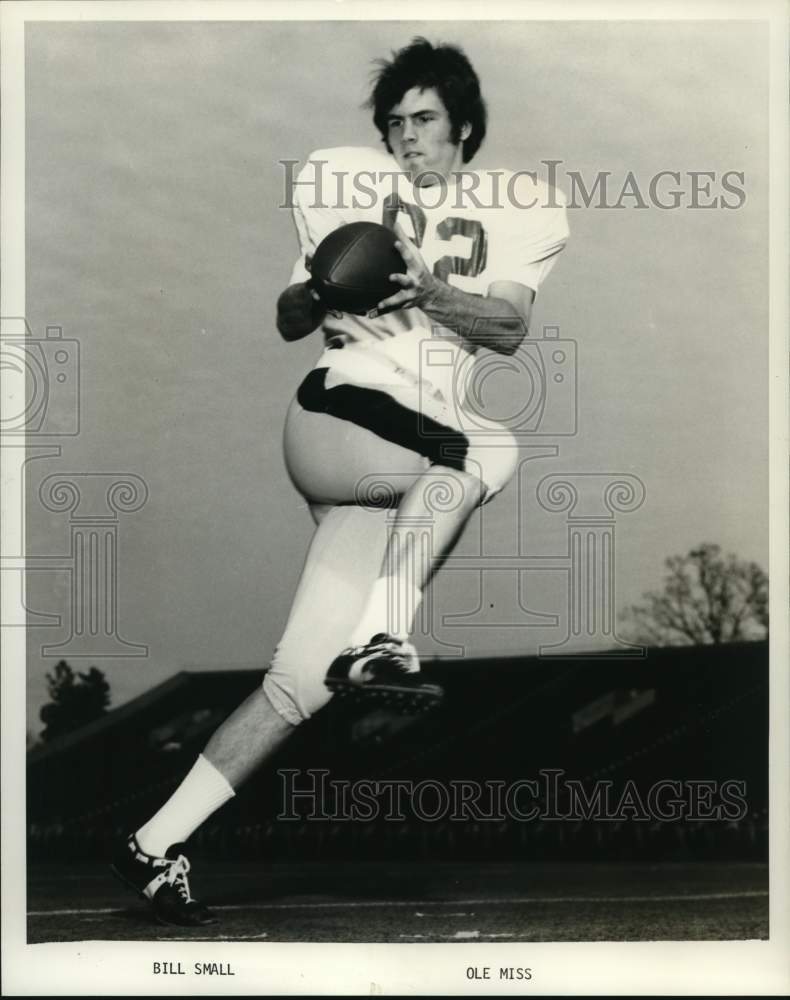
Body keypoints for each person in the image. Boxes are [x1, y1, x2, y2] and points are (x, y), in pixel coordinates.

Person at [112, 37, 569, 926]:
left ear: (465, 126)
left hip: (397, 472)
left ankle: (154, 843)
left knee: (296, 688)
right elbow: (291, 318)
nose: (408, 138)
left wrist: (428, 290)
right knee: (486, 451)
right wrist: (317, 292)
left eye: (426, 120)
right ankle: (385, 635)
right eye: (395, 124)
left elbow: (508, 329)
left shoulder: (517, 210)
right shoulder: (355, 194)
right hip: (338, 415)